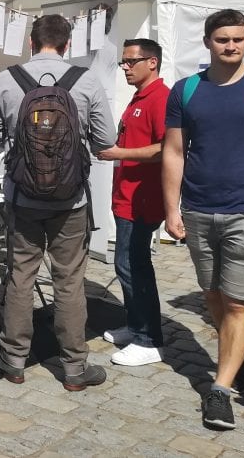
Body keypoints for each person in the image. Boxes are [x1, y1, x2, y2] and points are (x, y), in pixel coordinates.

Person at [162, 9, 244, 430]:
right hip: (199, 209)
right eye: (222, 40)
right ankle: (240, 355)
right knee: (212, 294)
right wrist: (171, 208)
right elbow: (174, 152)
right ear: (207, 42)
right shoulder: (187, 89)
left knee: (238, 302)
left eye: (238, 39)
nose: (230, 46)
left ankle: (219, 391)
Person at [0, 13, 116, 391]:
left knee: (20, 274)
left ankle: (13, 359)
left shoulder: (6, 79)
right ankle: (74, 368)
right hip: (71, 201)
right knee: (70, 279)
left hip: (22, 196)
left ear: (31, 42)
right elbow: (105, 139)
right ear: (67, 44)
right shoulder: (86, 79)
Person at [96, 39, 169, 366]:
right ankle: (136, 325)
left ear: (152, 62)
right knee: (126, 265)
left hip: (142, 200)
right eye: (124, 61)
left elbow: (165, 149)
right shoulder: (140, 97)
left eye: (131, 61)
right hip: (126, 196)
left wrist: (118, 153)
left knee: (134, 267)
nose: (125, 67)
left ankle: (149, 339)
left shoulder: (160, 98)